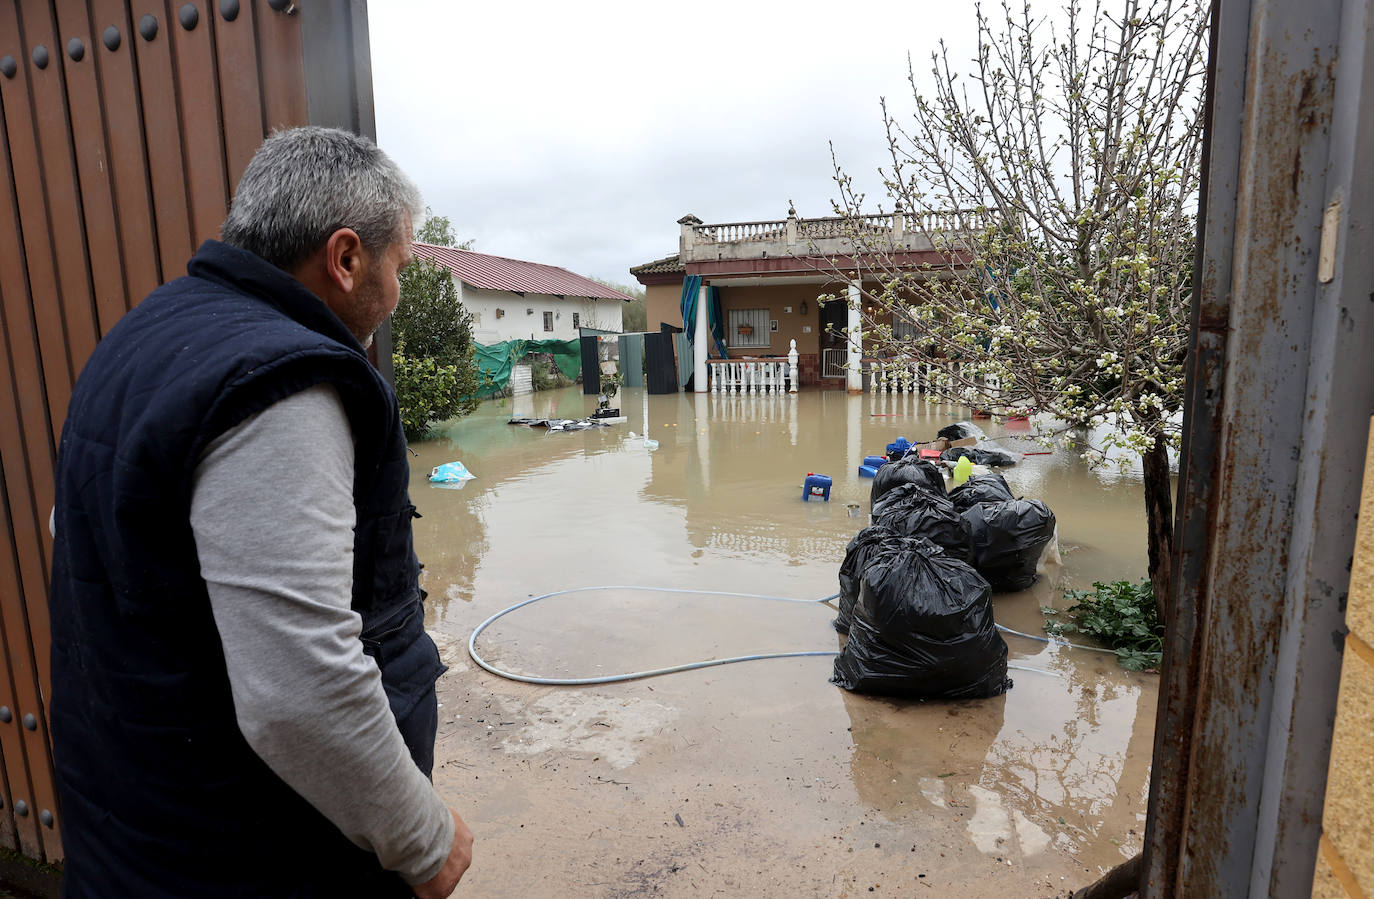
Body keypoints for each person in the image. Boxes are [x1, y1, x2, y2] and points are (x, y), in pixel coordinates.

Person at [48, 127, 472, 897]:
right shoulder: (282, 385)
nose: (400, 290)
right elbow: (299, 686)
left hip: (132, 827)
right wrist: (423, 837)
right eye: (400, 264)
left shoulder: (143, 338)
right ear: (345, 259)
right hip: (247, 856)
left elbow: (84, 543)